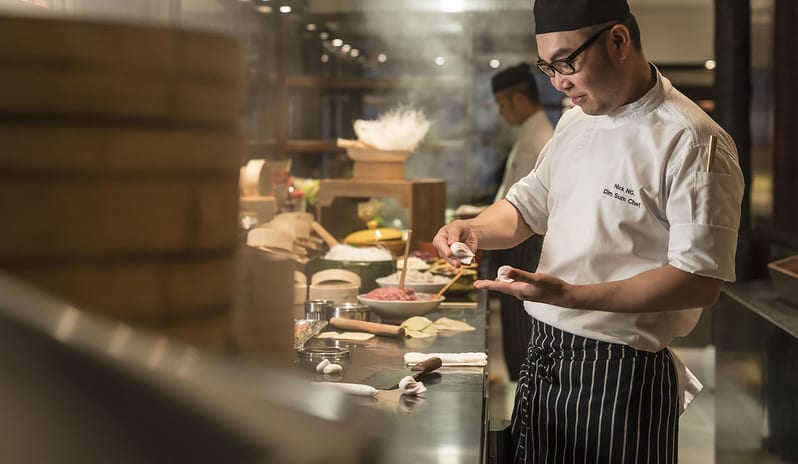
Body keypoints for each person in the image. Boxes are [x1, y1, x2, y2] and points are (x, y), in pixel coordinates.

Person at [433, 0, 744, 462]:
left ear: (618, 40)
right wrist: (475, 228)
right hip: (546, 356)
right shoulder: (577, 120)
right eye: (548, 66)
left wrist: (573, 296)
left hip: (621, 376)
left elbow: (699, 278)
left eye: (567, 62)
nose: (558, 80)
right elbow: (527, 204)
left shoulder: (693, 141)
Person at [489, 62, 554, 381]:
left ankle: (524, 400)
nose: (501, 113)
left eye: (502, 103)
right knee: (516, 333)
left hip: (528, 245)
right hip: (518, 241)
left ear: (517, 98)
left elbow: (526, 208)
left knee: (522, 332)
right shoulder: (531, 133)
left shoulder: (542, 138)